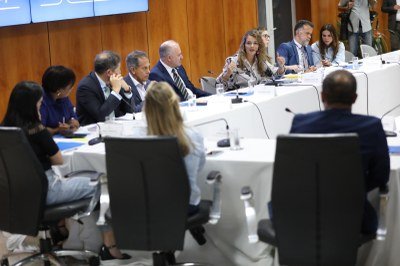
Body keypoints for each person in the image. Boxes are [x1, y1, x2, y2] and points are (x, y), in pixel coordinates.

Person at [1, 81, 131, 263]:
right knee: (105, 184)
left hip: (17, 195)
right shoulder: (37, 130)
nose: (41, 107)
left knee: (83, 179)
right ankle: (110, 247)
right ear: (33, 106)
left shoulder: (5, 130)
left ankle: (62, 231)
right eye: (39, 104)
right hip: (47, 192)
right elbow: (59, 160)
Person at [289, 70, 389, 234]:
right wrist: (353, 188)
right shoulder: (371, 126)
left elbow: (292, 170)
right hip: (354, 217)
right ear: (355, 98)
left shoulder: (301, 123)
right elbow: (380, 176)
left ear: (322, 96)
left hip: (302, 214)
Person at [143, 82, 205, 215]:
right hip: (187, 205)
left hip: (150, 205)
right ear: (176, 104)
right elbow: (200, 166)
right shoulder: (193, 136)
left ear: (147, 110)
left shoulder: (139, 139)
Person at [76, 50, 134, 125]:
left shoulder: (113, 81)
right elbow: (101, 116)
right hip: (95, 132)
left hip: (116, 129)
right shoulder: (86, 87)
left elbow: (130, 111)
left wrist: (127, 90)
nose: (120, 72)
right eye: (118, 69)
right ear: (109, 72)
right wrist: (115, 91)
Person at [216, 30, 285, 91]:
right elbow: (218, 84)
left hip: (258, 96)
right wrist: (228, 74)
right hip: (240, 99)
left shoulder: (260, 60)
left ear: (259, 46)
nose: (252, 46)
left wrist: (281, 66)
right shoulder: (233, 61)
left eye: (255, 43)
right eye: (249, 43)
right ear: (244, 46)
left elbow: (276, 73)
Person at [40, 65, 80, 135]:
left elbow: (73, 118)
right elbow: (40, 130)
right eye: (70, 86)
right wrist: (57, 130)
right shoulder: (41, 101)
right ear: (59, 90)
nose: (72, 88)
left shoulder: (64, 98)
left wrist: (73, 124)